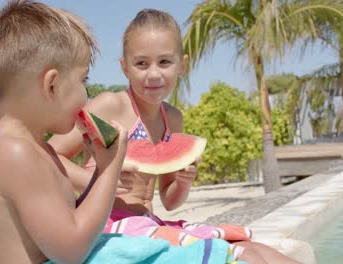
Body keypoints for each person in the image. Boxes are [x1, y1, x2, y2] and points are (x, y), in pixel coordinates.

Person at [49, 8, 301, 264]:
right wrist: (104, 177)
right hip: (110, 226)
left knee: (253, 248)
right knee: (236, 256)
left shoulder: (173, 118)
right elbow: (47, 154)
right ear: (125, 68)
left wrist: (183, 181)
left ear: (183, 65)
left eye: (165, 62)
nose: (154, 74)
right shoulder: (110, 106)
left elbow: (169, 201)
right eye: (141, 63)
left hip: (150, 224)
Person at [0, 1, 128, 263]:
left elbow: (71, 223)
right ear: (52, 85)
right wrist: (112, 168)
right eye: (83, 80)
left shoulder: (36, 148)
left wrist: (101, 170)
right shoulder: (15, 152)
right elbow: (71, 250)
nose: (86, 94)